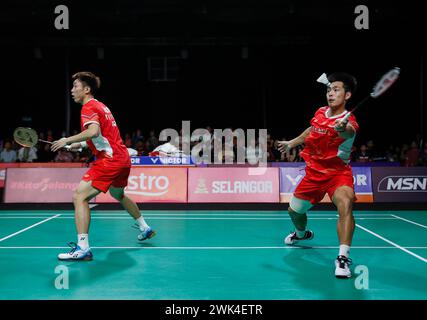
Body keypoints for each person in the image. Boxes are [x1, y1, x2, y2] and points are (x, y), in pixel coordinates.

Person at [51, 71, 156, 261]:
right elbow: (100, 137)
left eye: (76, 86)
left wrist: (67, 138)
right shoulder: (101, 106)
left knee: (79, 197)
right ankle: (144, 227)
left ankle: (83, 248)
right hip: (122, 157)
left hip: (110, 160)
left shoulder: (88, 107)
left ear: (87, 89)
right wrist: (76, 144)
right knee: (118, 194)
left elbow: (93, 131)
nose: (72, 90)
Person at [277, 72, 359, 278]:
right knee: (294, 211)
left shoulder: (349, 122)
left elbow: (348, 131)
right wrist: (292, 143)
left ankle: (342, 258)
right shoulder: (321, 112)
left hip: (338, 173)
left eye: (336, 90)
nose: (330, 94)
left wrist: (342, 128)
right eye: (329, 90)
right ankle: (302, 234)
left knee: (345, 203)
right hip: (313, 174)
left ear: (347, 95)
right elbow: (311, 130)